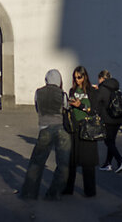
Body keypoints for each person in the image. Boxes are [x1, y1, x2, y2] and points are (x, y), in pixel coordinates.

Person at [19, 69, 71, 200]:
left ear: (46, 79)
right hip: (61, 128)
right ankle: (54, 193)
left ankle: (29, 193)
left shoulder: (38, 92)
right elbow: (66, 107)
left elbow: (37, 108)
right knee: (63, 163)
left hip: (44, 127)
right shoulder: (62, 94)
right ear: (59, 80)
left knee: (37, 162)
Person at [62, 65, 98, 197]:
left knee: (88, 161)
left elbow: (94, 110)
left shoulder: (91, 91)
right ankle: (68, 188)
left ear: (85, 76)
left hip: (88, 127)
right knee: (71, 159)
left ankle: (90, 190)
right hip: (74, 128)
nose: (77, 80)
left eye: (80, 77)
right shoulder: (72, 90)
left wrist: (81, 106)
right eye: (75, 77)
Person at [94, 70, 122, 173]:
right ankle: (107, 164)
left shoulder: (102, 89)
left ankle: (120, 160)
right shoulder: (116, 86)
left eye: (99, 79)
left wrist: (96, 91)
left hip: (108, 119)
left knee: (108, 141)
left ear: (102, 79)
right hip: (119, 117)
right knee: (111, 141)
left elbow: (96, 103)